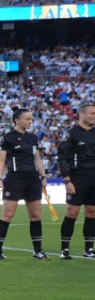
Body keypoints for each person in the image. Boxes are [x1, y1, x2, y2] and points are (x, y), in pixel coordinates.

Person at [0, 108, 49, 261]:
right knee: (7, 215)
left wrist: (43, 176)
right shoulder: (8, 138)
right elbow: (2, 160)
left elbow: (37, 158)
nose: (30, 121)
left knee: (36, 215)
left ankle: (38, 251)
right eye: (27, 119)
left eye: (31, 119)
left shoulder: (32, 138)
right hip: (14, 180)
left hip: (32, 179)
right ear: (17, 120)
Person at [57, 100, 95, 259]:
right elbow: (62, 158)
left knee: (92, 212)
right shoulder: (72, 134)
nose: (94, 116)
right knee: (72, 212)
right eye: (92, 113)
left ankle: (89, 249)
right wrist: (67, 180)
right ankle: (64, 249)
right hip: (77, 177)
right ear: (82, 114)